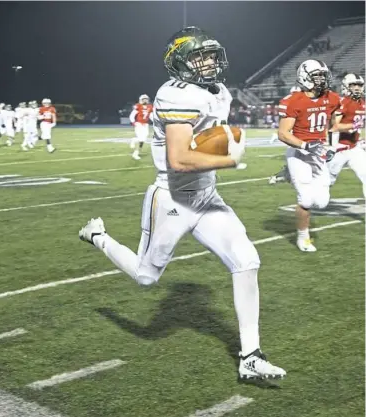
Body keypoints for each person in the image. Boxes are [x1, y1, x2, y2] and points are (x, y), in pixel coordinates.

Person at [79, 26, 286, 380]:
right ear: (179, 62)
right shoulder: (174, 95)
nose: (207, 63)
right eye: (198, 57)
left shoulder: (218, 91)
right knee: (146, 278)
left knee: (247, 260)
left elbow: (204, 139)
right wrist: (228, 158)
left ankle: (250, 356)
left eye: (209, 55)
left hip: (207, 196)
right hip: (173, 199)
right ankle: (98, 235)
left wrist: (219, 146)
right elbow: (179, 159)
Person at [277, 59, 340, 252]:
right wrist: (306, 145)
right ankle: (303, 238)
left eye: (323, 75)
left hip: (318, 152)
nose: (322, 79)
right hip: (299, 152)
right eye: (317, 75)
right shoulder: (293, 101)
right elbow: (283, 133)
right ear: (305, 77)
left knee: (321, 202)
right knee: (305, 199)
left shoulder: (332, 98)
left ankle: (287, 174)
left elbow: (332, 125)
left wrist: (331, 146)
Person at [328, 73, 366, 197]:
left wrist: (359, 137)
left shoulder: (362, 103)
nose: (357, 88)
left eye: (359, 85)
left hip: (354, 148)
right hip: (338, 149)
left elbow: (358, 125)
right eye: (353, 85)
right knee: (327, 182)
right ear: (346, 86)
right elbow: (335, 126)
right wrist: (353, 126)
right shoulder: (342, 102)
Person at [129, 94, 153, 160]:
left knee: (143, 139)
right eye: (144, 99)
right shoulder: (138, 106)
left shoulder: (150, 106)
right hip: (139, 124)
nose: (145, 100)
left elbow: (151, 116)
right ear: (141, 100)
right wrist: (133, 122)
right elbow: (132, 115)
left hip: (146, 124)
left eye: (146, 99)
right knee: (141, 139)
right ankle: (135, 153)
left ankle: (134, 140)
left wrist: (155, 122)